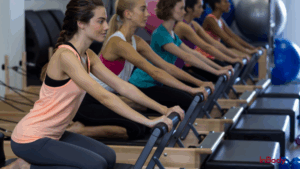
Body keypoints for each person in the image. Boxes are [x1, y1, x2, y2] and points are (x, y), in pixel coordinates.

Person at [5, 0, 182, 169]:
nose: (106, 27)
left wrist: (164, 110)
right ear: (81, 23)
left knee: (109, 157)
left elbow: (122, 86)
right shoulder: (66, 56)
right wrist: (148, 122)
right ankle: (25, 166)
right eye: (100, 21)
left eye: (105, 20)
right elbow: (104, 95)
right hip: (30, 138)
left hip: (55, 134)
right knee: (94, 165)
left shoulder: (88, 55)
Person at [72, 0, 216, 140]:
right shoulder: (118, 43)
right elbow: (154, 73)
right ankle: (80, 130)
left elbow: (164, 67)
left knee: (144, 128)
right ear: (128, 14)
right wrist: (190, 90)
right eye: (143, 9)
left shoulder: (137, 41)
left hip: (108, 98)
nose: (147, 14)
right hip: (86, 102)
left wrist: (197, 85)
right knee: (135, 129)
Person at [174, 0, 249, 70]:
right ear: (189, 8)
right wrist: (233, 58)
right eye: (199, 7)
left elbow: (214, 43)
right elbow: (207, 46)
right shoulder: (183, 26)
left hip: (191, 61)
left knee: (225, 69)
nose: (202, 10)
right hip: (182, 66)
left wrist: (237, 56)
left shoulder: (194, 24)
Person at [202, 0, 266, 57]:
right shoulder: (210, 20)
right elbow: (227, 39)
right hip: (205, 55)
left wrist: (252, 48)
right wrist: (247, 51)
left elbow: (233, 36)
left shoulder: (220, 20)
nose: (229, 4)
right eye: (225, 1)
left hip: (213, 53)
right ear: (217, 4)